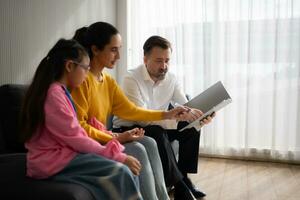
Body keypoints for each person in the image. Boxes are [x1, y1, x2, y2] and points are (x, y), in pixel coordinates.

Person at [71, 22, 190, 200]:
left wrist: (167, 114)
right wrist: (116, 137)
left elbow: (132, 110)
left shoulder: (108, 81)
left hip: (103, 137)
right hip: (88, 144)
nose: (118, 56)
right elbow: (79, 129)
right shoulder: (83, 81)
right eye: (113, 50)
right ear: (95, 50)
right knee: (139, 149)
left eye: (119, 49)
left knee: (149, 142)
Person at [19, 38, 143, 200]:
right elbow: (75, 137)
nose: (87, 75)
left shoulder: (59, 92)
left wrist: (98, 129)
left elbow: (68, 129)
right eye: (85, 68)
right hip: (51, 162)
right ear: (70, 66)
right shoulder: (54, 95)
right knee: (122, 170)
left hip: (60, 156)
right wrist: (119, 156)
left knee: (124, 170)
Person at [113, 35, 215, 200]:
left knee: (191, 129)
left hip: (160, 124)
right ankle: (180, 185)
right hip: (130, 128)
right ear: (145, 59)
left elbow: (186, 105)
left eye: (167, 60)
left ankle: (185, 178)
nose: (164, 66)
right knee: (156, 131)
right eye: (159, 61)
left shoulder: (171, 78)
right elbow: (142, 119)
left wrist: (199, 117)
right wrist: (179, 118)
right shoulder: (131, 78)